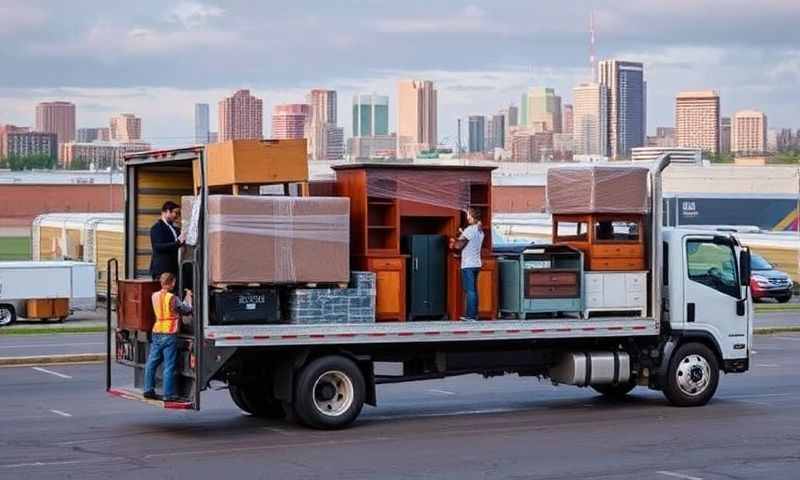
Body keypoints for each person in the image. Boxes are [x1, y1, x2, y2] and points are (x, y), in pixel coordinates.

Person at [143, 272, 192, 401]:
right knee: (169, 365)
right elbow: (186, 309)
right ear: (172, 283)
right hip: (170, 333)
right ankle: (168, 395)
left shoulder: (154, 296)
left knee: (151, 362)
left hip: (157, 331)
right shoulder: (172, 298)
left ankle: (148, 389)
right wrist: (189, 297)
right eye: (174, 282)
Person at [452, 207, 485, 321]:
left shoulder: (470, 229)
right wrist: (462, 235)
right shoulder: (480, 230)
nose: (467, 217)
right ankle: (474, 314)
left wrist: (453, 242)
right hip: (476, 263)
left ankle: (470, 316)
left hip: (468, 264)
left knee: (470, 290)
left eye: (468, 215)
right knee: (473, 290)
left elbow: (458, 246)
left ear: (472, 216)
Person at [149, 201, 186, 281]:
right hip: (162, 270)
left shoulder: (173, 228)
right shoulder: (157, 228)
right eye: (175, 213)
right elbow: (158, 247)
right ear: (167, 211)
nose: (177, 216)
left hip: (173, 268)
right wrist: (177, 243)